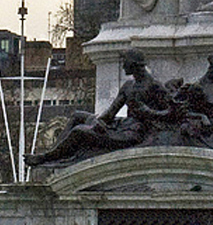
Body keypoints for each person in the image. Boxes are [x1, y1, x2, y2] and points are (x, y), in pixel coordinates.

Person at [27, 49, 171, 166]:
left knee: (79, 131)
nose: (123, 66)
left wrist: (148, 112)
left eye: (125, 63)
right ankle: (53, 154)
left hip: (132, 134)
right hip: (121, 125)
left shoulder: (154, 86)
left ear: (134, 64)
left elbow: (171, 114)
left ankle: (46, 158)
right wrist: (100, 122)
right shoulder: (128, 86)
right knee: (78, 116)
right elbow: (112, 111)